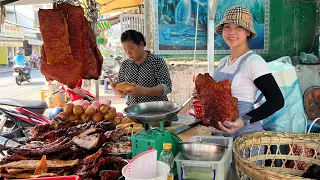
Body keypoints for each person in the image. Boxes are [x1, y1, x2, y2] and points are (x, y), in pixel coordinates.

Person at [196, 6, 284, 137]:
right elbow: (217, 96)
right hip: (221, 136)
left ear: (248, 32)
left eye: (239, 27)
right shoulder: (223, 62)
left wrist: (243, 120)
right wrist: (203, 93)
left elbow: (277, 100)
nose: (232, 32)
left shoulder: (253, 62)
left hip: (245, 139)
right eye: (227, 27)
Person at [109, 30, 172, 106]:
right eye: (125, 49)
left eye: (131, 48)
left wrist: (145, 91)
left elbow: (167, 87)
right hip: (134, 112)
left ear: (141, 44)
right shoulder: (125, 65)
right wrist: (115, 89)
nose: (128, 52)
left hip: (155, 111)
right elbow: (123, 94)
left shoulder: (157, 61)